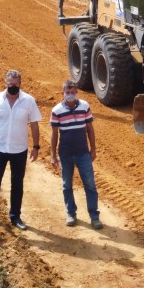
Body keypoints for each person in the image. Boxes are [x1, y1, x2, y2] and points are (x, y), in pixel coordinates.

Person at [0, 70, 42, 232]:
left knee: (17, 184)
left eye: (15, 84)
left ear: (20, 84)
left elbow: (35, 124)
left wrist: (36, 147)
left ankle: (15, 217)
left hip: (19, 150)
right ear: (5, 83)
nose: (12, 87)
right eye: (10, 84)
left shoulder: (28, 101)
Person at [49, 79, 102, 229]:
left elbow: (90, 129)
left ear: (76, 92)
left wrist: (93, 149)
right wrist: (53, 156)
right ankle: (71, 214)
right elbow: (54, 135)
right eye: (68, 92)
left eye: (73, 92)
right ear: (63, 93)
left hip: (83, 153)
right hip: (65, 154)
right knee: (67, 185)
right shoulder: (56, 110)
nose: (70, 94)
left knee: (90, 185)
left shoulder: (85, 107)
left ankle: (94, 216)